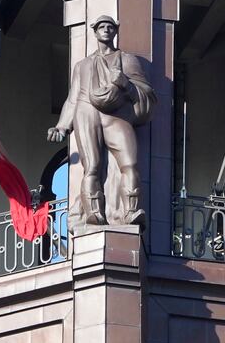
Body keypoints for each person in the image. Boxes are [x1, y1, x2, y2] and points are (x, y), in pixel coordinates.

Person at [49, 15, 156, 226]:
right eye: (101, 27)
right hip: (87, 112)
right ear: (95, 32)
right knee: (92, 166)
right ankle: (93, 212)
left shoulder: (127, 60)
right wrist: (62, 126)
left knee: (130, 163)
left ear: (115, 31)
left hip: (116, 116)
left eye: (109, 27)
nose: (106, 30)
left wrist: (126, 83)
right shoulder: (83, 65)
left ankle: (131, 211)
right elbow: (73, 98)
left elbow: (147, 94)